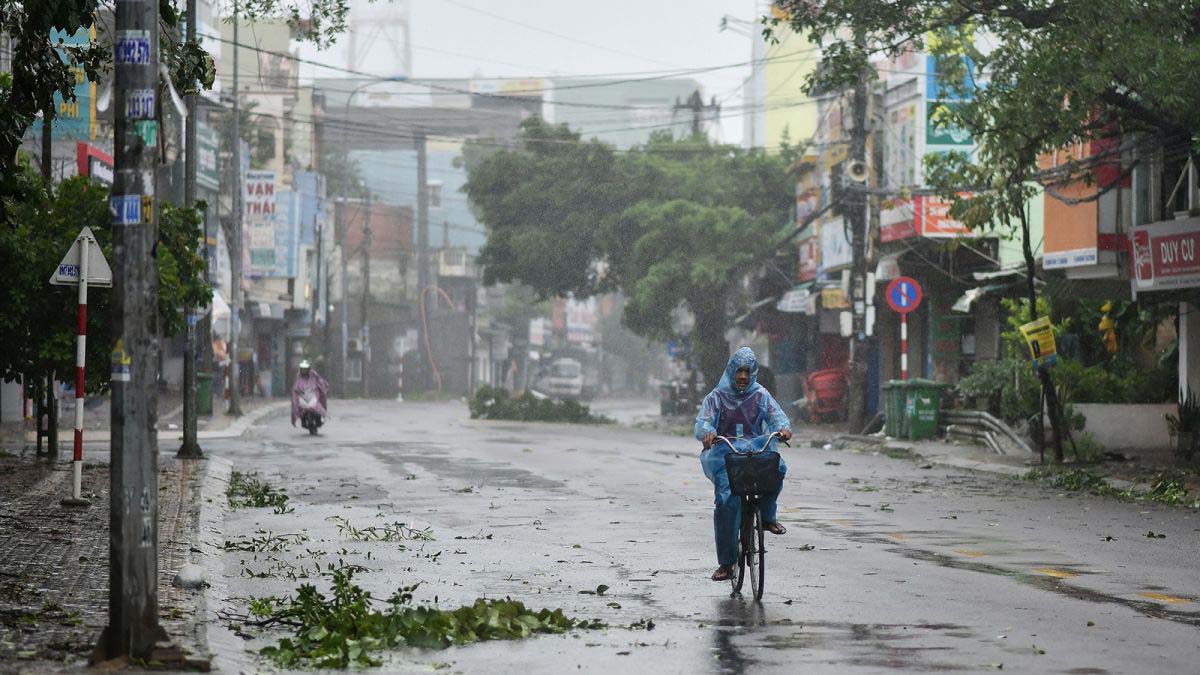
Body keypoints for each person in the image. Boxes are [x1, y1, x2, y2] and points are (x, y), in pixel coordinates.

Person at [695, 347, 792, 582]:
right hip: (726, 454)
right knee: (727, 501)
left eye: (747, 371)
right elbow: (704, 422)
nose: (743, 376)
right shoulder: (716, 397)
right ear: (731, 371)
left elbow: (777, 416)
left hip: (756, 450)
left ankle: (767, 518)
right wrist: (708, 433)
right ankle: (727, 564)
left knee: (776, 469)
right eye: (739, 371)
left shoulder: (760, 395)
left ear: (753, 373)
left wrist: (784, 428)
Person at [291, 359, 329, 427]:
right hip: (303, 396)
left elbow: (321, 382)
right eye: (303, 369)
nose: (304, 370)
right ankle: (302, 418)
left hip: (314, 395)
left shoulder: (314, 375)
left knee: (322, 400)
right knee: (295, 404)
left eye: (305, 369)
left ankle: (321, 417)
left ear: (309, 369)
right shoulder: (299, 377)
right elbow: (295, 389)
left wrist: (322, 387)